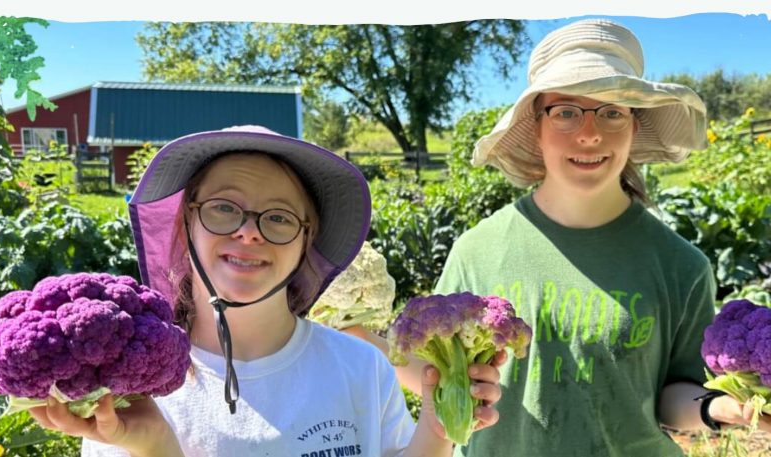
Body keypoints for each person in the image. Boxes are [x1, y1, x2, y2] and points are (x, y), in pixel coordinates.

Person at [348, 19, 771, 456]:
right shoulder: (477, 250)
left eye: (611, 112)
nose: (590, 133)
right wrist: (359, 336)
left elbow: (675, 394)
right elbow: (432, 371)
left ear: (633, 126)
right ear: (536, 127)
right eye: (566, 111)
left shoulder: (681, 265)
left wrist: (723, 408)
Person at [28, 125, 503, 457]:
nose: (249, 232)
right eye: (223, 208)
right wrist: (153, 446)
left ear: (306, 239)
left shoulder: (361, 367)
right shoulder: (132, 392)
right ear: (185, 222)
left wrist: (439, 426)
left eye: (278, 217)